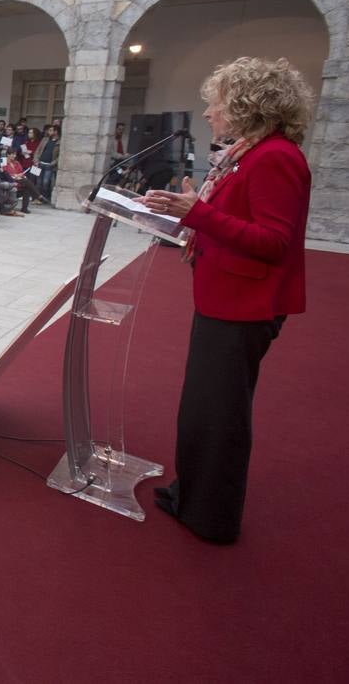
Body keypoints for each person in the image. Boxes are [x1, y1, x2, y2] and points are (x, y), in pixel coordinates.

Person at [138, 57, 313, 544]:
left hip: (245, 301)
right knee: (204, 408)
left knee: (220, 412)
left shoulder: (275, 156)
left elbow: (274, 240)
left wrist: (202, 215)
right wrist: (197, 208)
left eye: (216, 103)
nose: (210, 113)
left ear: (245, 105)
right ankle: (193, 493)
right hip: (226, 294)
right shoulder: (248, 153)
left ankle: (211, 516)